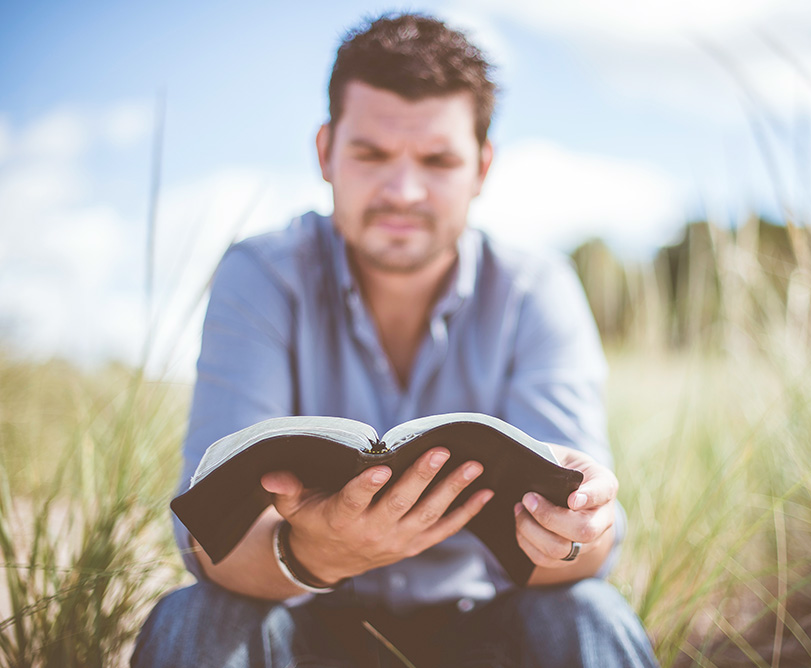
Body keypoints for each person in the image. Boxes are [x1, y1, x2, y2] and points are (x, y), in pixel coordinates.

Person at [132, 12, 658, 668]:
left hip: (482, 628)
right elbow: (208, 543)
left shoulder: (536, 289)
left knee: (589, 612)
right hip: (303, 623)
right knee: (196, 618)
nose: (403, 191)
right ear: (325, 152)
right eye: (372, 154)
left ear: (481, 167)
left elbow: (587, 556)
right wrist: (318, 552)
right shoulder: (260, 275)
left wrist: (578, 533)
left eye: (437, 160)